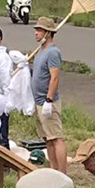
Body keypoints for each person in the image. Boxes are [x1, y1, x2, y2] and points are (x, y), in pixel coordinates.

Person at [29, 15, 66, 173]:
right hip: (38, 101)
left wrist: (49, 100)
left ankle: (62, 173)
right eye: (36, 29)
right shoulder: (40, 52)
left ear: (48, 33)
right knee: (47, 138)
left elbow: (55, 77)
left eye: (40, 30)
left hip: (47, 101)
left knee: (56, 138)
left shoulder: (53, 52)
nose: (36, 33)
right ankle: (53, 169)